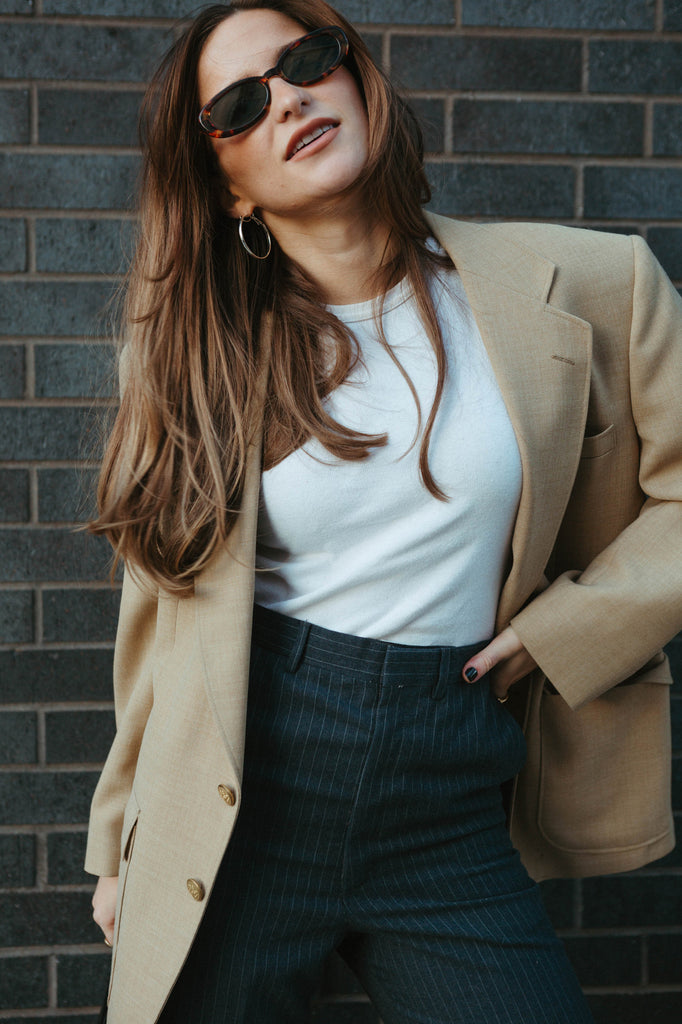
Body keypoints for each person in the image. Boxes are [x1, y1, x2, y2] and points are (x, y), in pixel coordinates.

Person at [85, 1, 682, 1021]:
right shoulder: (197, 351)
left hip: (447, 789)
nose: (287, 99)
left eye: (306, 61)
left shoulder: (592, 283)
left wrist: (565, 629)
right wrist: (118, 840)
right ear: (226, 187)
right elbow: (160, 613)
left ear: (356, 76)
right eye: (238, 104)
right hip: (243, 793)